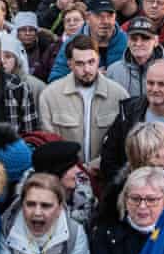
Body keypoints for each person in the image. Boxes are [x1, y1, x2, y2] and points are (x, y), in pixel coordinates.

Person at [39, 35, 129, 170]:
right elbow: (48, 143)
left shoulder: (119, 95)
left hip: (105, 175)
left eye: (91, 62)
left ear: (98, 60)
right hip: (66, 175)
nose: (87, 69)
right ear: (69, 64)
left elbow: (123, 144)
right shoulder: (49, 96)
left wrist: (97, 166)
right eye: (80, 64)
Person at [100, 58, 164, 180]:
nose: (154, 89)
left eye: (161, 84)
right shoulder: (128, 111)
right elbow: (109, 159)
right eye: (150, 83)